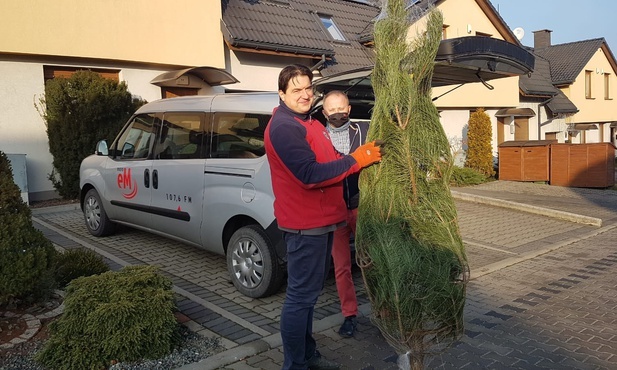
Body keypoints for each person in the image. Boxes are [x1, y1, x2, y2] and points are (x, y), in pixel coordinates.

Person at [264, 64, 382, 370]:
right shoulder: (285, 128)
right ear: (281, 94)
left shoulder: (309, 122)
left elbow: (331, 161)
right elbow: (309, 174)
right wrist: (356, 161)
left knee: (308, 297)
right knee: (300, 298)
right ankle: (296, 364)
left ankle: (307, 354)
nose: (305, 95)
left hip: (324, 220)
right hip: (306, 226)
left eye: (308, 88)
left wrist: (359, 158)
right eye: (296, 90)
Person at [321, 90, 367, 338]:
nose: (337, 113)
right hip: (336, 211)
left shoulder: (363, 132)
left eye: (341, 109)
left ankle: (385, 310)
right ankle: (350, 315)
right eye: (332, 110)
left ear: (348, 110)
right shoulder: (319, 137)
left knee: (372, 259)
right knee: (342, 267)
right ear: (324, 113)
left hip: (362, 207)